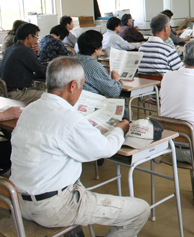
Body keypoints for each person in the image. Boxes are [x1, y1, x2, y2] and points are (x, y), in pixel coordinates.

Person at [10, 57, 150, 236]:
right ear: (72, 86)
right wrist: (120, 130)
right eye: (82, 86)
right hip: (53, 207)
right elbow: (106, 149)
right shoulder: (68, 118)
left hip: (18, 201)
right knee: (139, 210)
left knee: (79, 184)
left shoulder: (30, 109)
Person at [0, 23, 46, 104]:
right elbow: (41, 71)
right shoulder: (25, 51)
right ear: (29, 37)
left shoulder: (10, 49)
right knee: (49, 95)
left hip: (5, 92)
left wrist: (36, 53)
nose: (36, 41)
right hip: (17, 94)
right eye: (36, 37)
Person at [74, 30, 122, 97]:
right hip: (91, 102)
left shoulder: (71, 60)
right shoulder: (94, 67)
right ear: (96, 49)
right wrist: (116, 79)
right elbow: (114, 92)